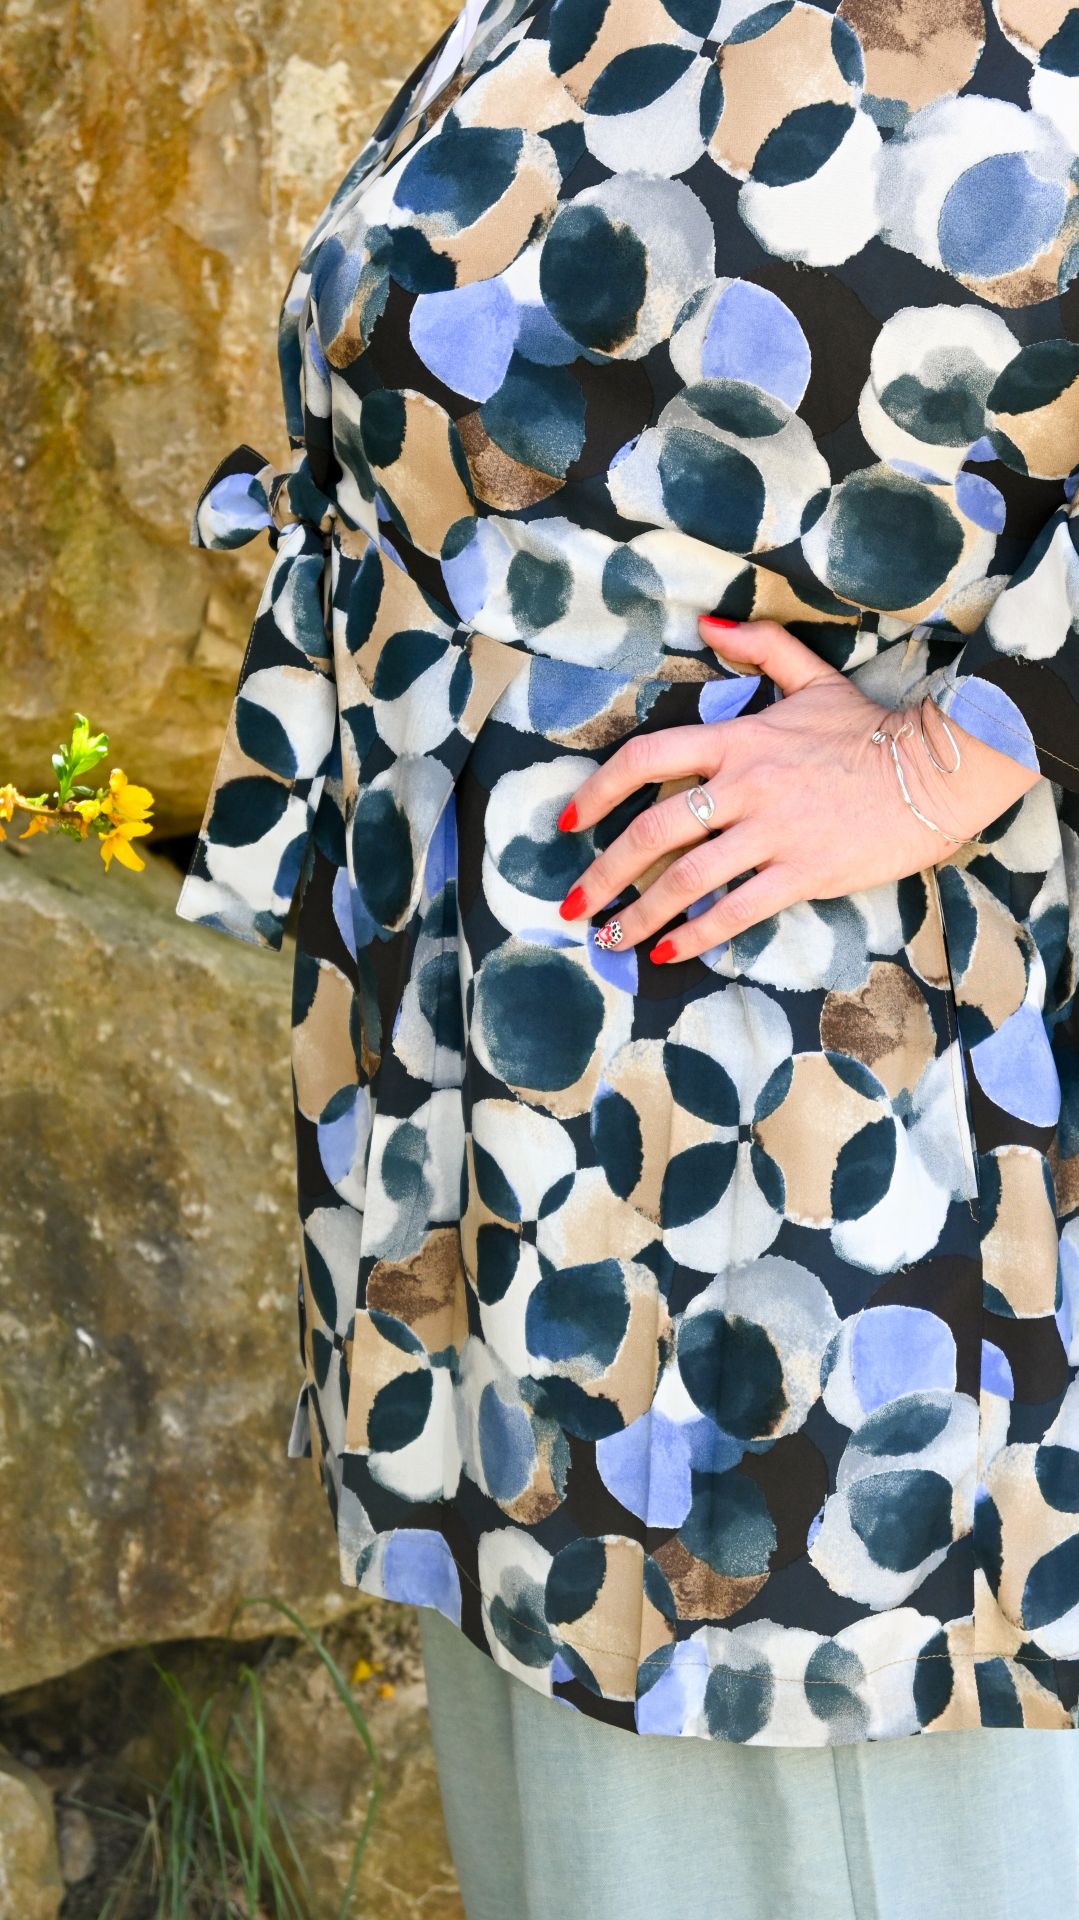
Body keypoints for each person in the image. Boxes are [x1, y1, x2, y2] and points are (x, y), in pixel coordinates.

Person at [175, 1, 1079, 1913]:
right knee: (586, 1822)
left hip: (813, 1121)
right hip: (530, 1108)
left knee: (839, 1807)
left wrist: (947, 756)